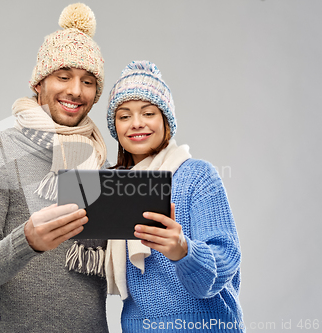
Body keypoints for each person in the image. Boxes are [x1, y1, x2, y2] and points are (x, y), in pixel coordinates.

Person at [0, 4, 109, 332]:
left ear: (95, 95)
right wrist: (26, 240)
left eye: (88, 81)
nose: (75, 90)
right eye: (63, 76)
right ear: (39, 82)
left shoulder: (100, 162)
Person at [104, 61, 244, 332]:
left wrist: (184, 250)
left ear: (165, 120)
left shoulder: (197, 176)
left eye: (148, 113)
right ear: (115, 127)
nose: (136, 124)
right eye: (124, 116)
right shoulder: (112, 187)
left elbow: (225, 260)